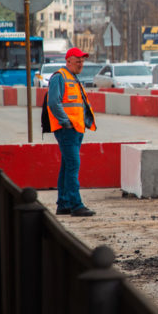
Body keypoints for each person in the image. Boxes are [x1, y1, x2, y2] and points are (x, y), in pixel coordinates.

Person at [46, 47, 97, 217]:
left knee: (67, 166)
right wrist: (65, 122)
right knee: (73, 165)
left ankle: (63, 204)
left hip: (76, 129)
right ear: (68, 61)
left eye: (82, 61)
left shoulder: (73, 78)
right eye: (77, 61)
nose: (81, 63)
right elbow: (53, 103)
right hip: (67, 130)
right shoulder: (59, 77)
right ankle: (76, 205)